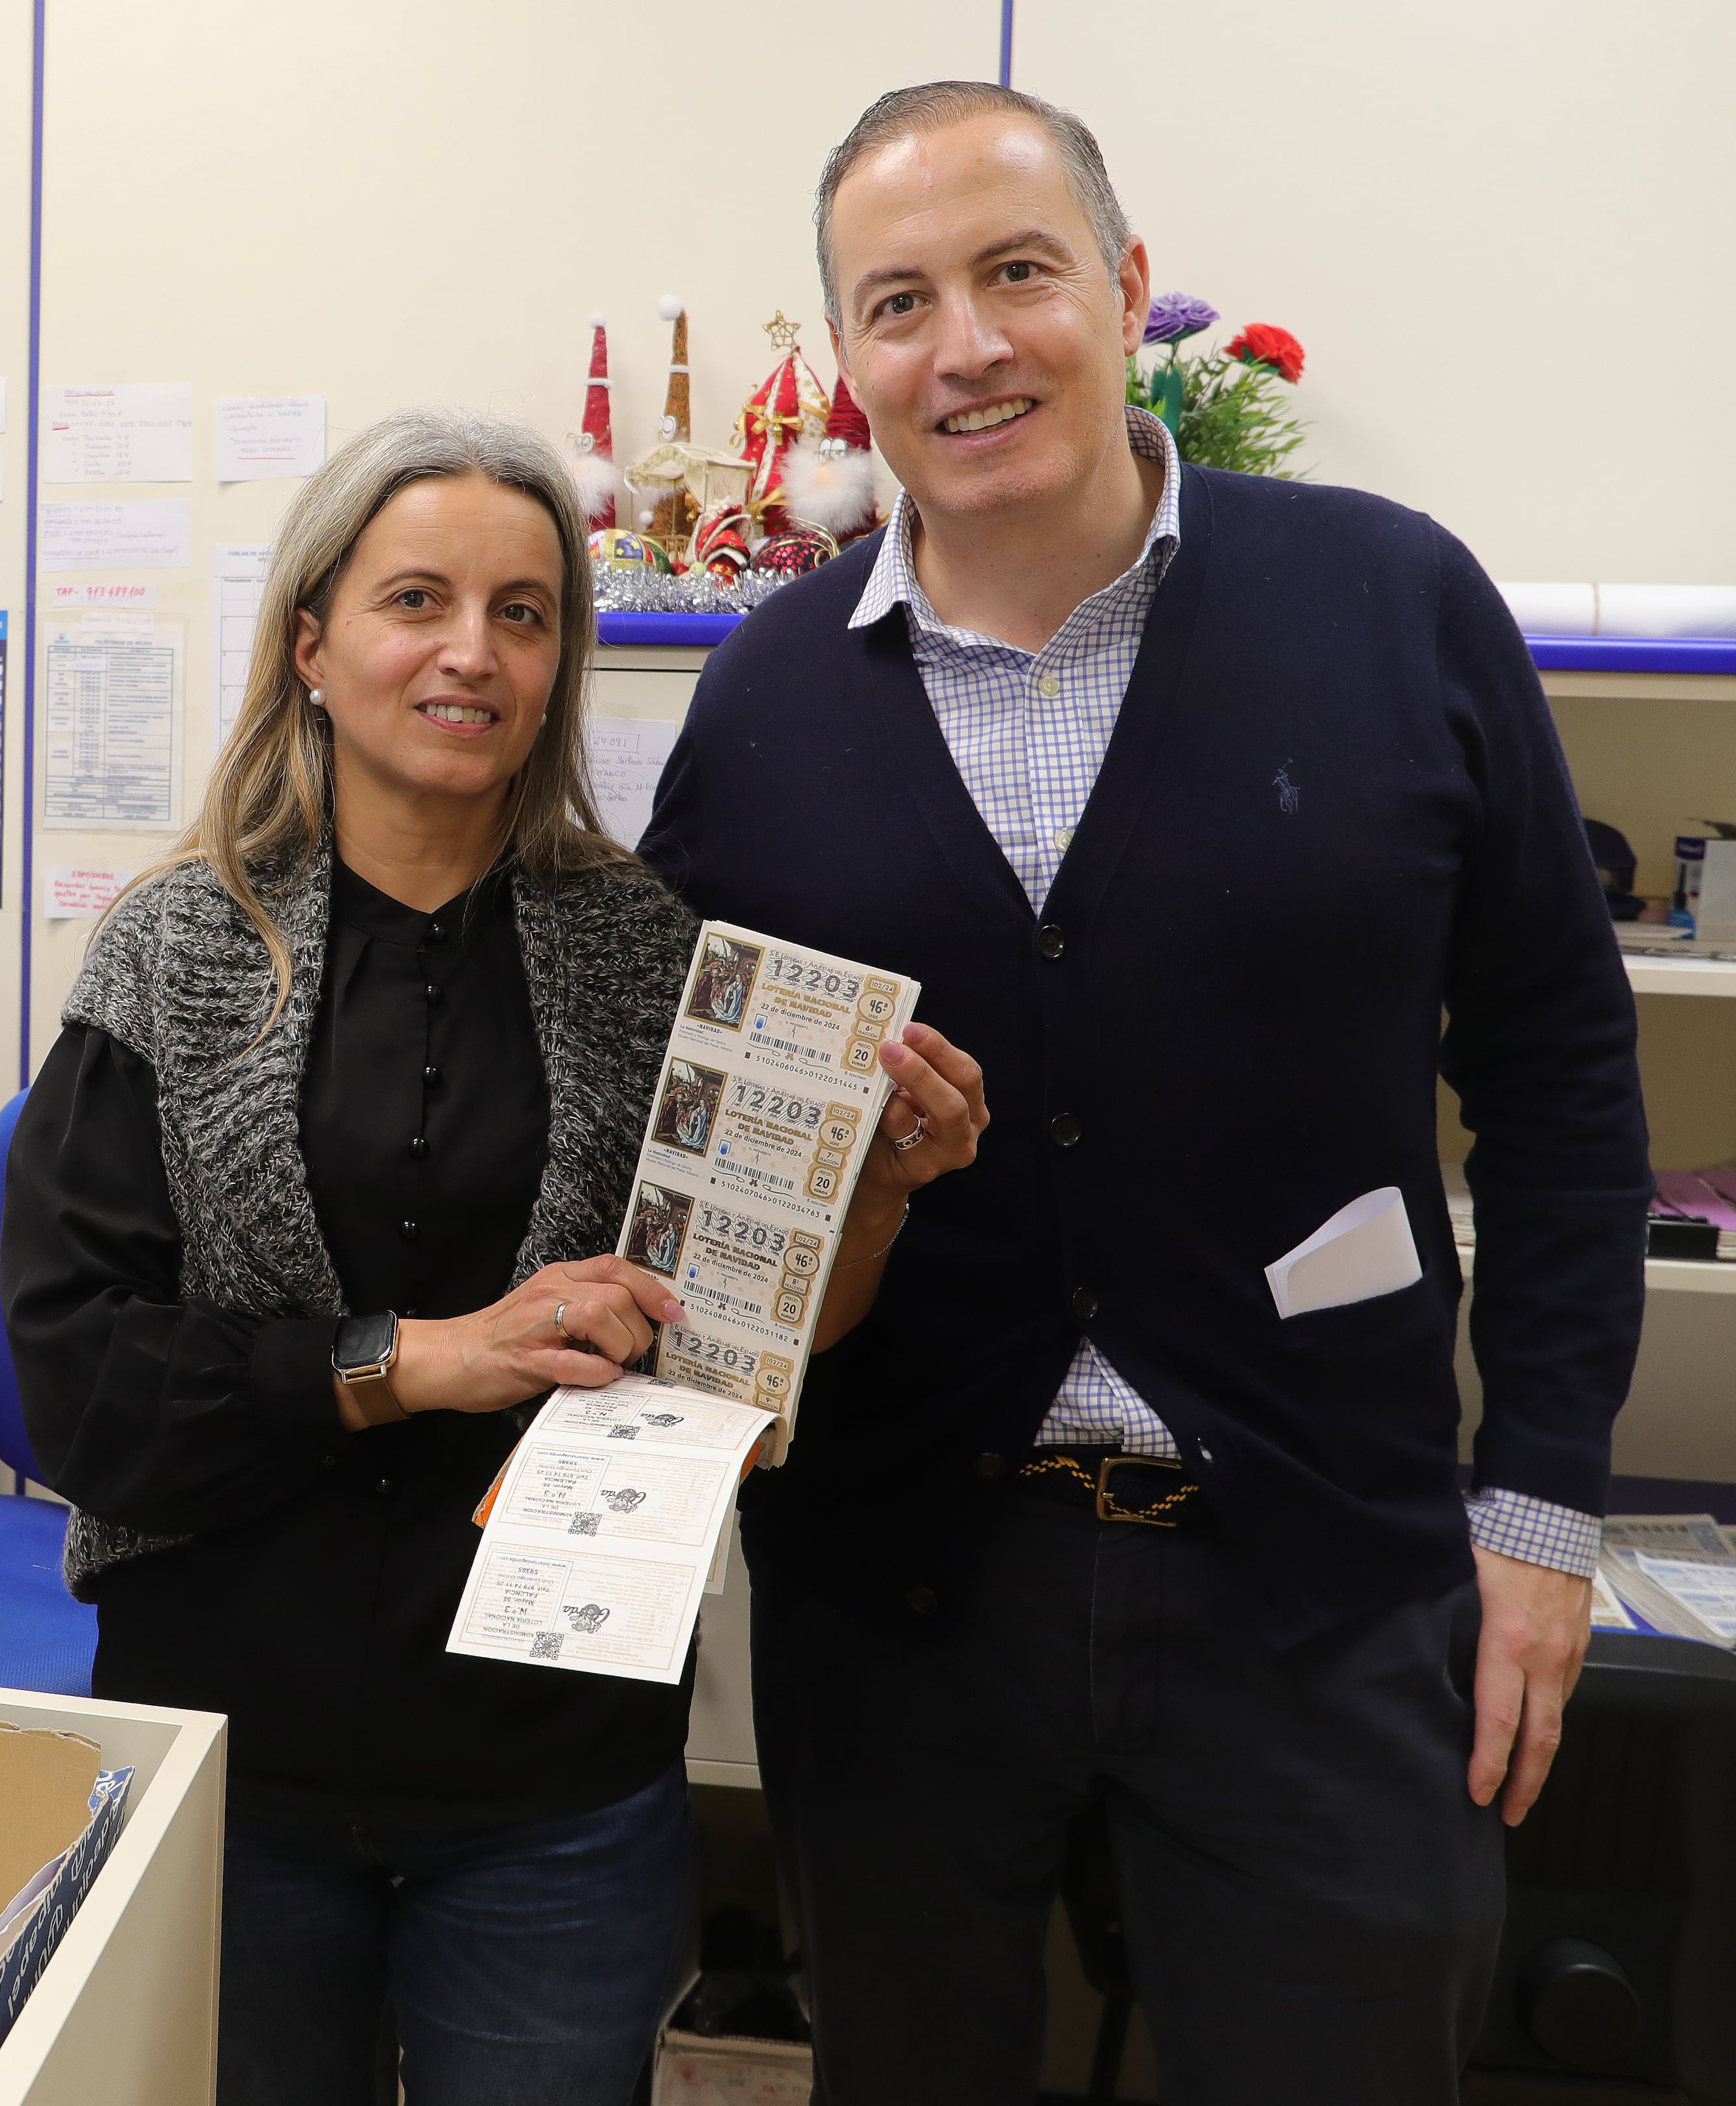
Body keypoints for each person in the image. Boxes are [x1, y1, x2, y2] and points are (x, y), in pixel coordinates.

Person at [640, 82, 1650, 2103]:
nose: (969, 346)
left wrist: (1539, 1505)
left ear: (1123, 285)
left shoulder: (1392, 605)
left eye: (1018, 273)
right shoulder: (759, 709)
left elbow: (1559, 1071)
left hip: (1321, 1574)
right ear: (846, 366)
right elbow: (697, 1160)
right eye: (900, 302)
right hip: (904, 1590)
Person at [3, 406, 988, 2105]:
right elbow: (82, 1385)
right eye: (417, 601)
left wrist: (879, 1194)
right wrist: (421, 1357)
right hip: (236, 1742)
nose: (471, 651)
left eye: (523, 613)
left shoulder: (646, 949)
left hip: (550, 1778)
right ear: (312, 642)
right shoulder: (172, 948)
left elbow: (743, 1358)